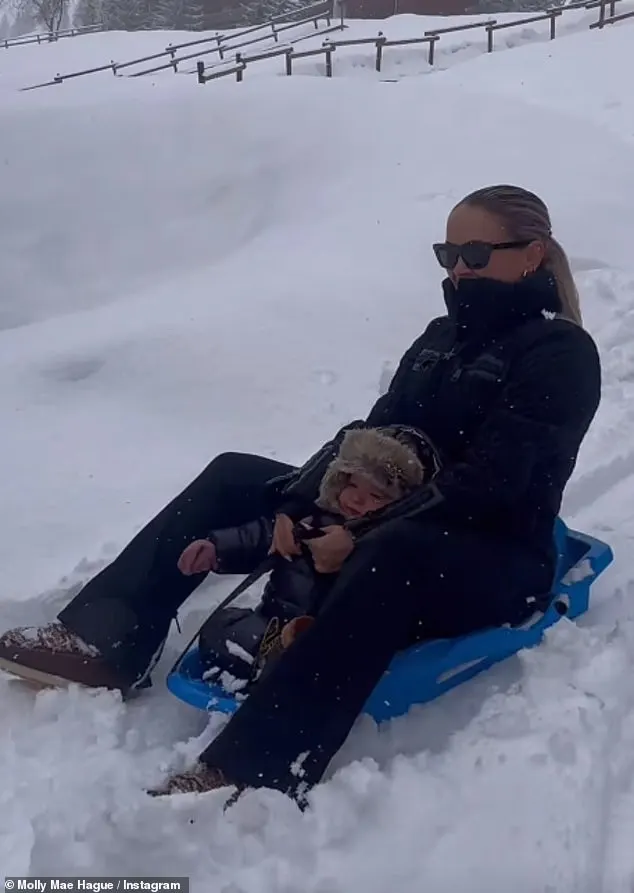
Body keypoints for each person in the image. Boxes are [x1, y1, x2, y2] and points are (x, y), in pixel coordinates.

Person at [0, 184, 601, 805]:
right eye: (447, 253)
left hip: (494, 552)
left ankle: (256, 765)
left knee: (394, 552)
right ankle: (105, 641)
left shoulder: (561, 354)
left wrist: (357, 532)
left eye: (474, 254)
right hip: (395, 514)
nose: (457, 270)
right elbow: (365, 436)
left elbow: (493, 481)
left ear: (531, 256)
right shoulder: (440, 337)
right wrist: (299, 505)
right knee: (236, 476)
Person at [192, 425, 439, 686]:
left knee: (324, 656)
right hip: (272, 621)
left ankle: (280, 664)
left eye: (375, 496)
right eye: (352, 484)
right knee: (219, 627)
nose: (356, 498)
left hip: (328, 638)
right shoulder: (311, 518)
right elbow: (262, 536)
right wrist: (216, 548)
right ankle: (270, 660)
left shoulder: (380, 548)